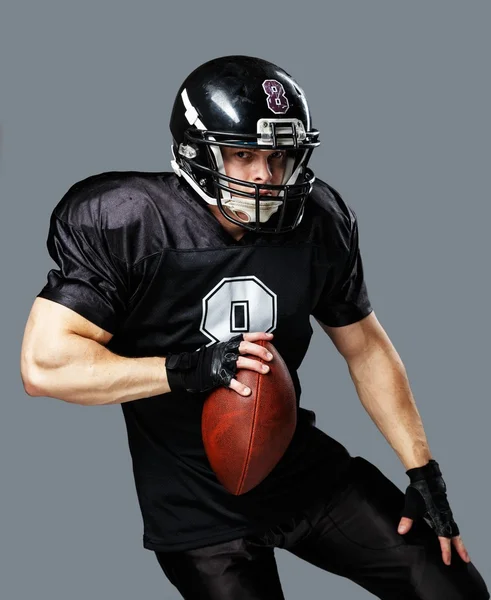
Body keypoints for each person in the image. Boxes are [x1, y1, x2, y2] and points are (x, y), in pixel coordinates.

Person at [20, 55, 488, 599]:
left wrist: (422, 470)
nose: (265, 176)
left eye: (278, 156)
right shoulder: (128, 220)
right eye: (242, 156)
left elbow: (365, 348)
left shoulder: (319, 219)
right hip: (195, 506)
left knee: (454, 589)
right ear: (195, 154)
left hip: (300, 471)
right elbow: (44, 365)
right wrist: (188, 369)